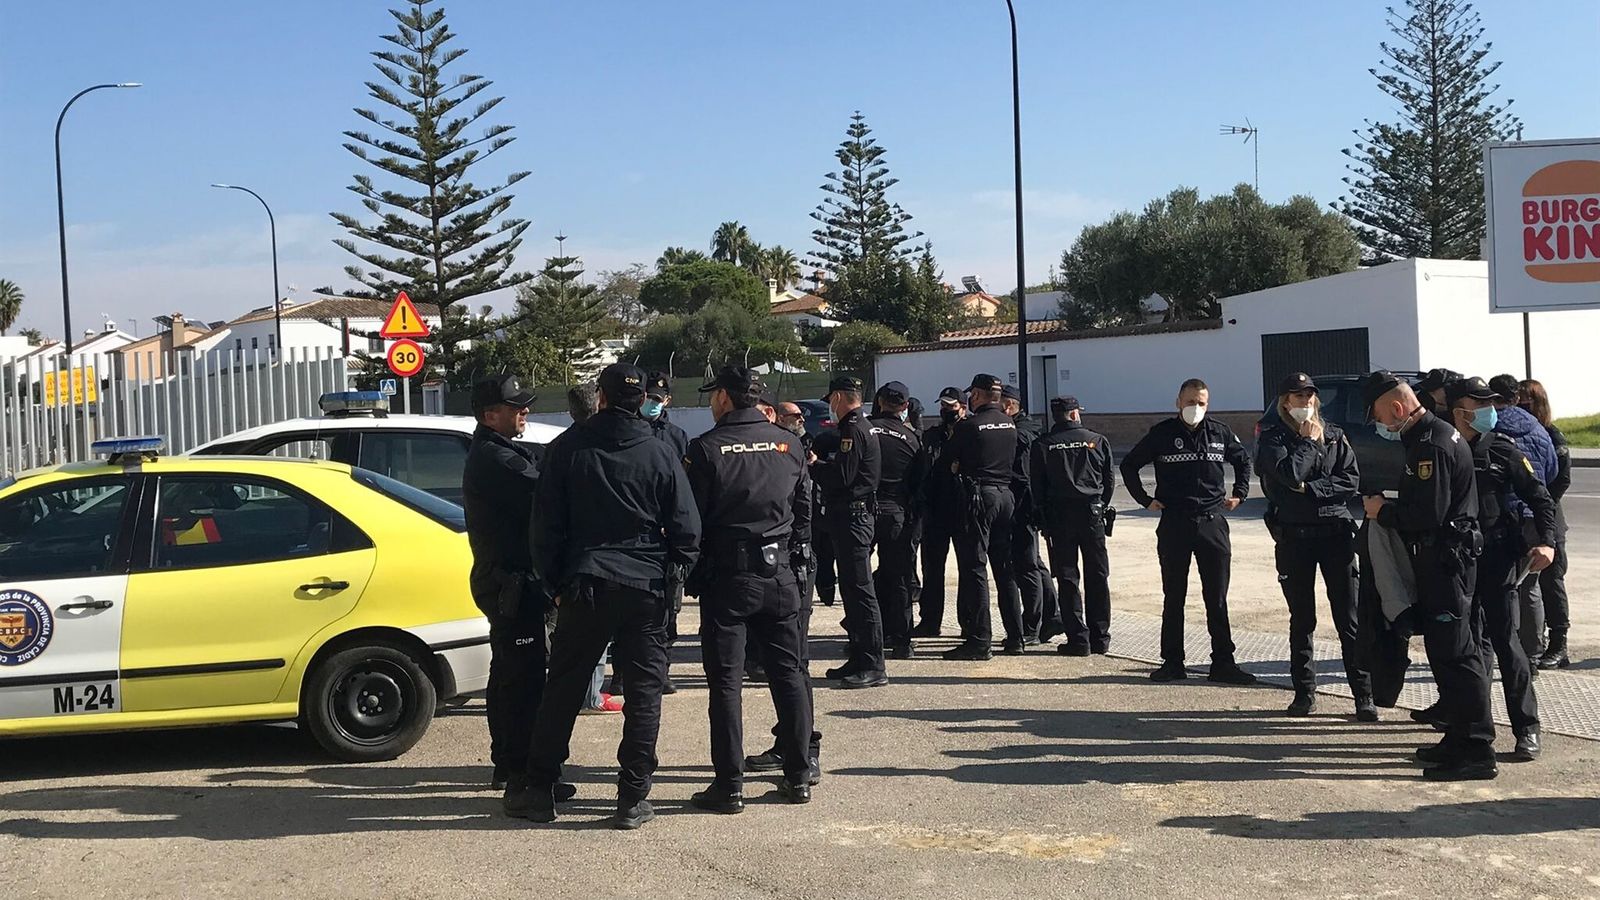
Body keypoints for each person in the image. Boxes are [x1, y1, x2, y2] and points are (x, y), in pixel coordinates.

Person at [508, 363, 702, 828]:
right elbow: (687, 529)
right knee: (644, 694)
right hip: (645, 586)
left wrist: (555, 586)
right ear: (642, 401)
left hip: (584, 585)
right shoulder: (659, 451)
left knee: (564, 688)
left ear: (601, 397)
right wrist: (673, 575)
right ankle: (632, 797)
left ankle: (539, 788)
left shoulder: (568, 447)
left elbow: (544, 528)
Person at [684, 367, 815, 811]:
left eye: (712, 396)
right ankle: (798, 776)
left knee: (726, 683)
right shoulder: (790, 443)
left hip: (729, 577)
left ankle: (730, 785)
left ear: (724, 397)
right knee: (790, 676)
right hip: (780, 574)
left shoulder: (705, 449)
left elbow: (692, 523)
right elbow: (804, 510)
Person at [1361, 371, 1495, 781]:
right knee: (1444, 652)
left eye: (1381, 417)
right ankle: (1457, 737)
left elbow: (1428, 515)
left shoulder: (1431, 444)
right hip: (1441, 561)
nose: (1382, 425)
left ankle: (1476, 748)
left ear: (1398, 409)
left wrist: (1382, 512)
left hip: (1447, 563)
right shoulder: (1429, 437)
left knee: (1458, 654)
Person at [1447, 376, 1557, 762]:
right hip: (1459, 562)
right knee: (1470, 649)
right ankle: (1475, 730)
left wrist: (1547, 542)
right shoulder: (1448, 448)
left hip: (1497, 559)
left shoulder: (1505, 451)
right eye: (1479, 405)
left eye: (1489, 404)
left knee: (1507, 645)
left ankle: (1527, 727)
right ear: (1460, 411)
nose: (1487, 411)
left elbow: (1541, 499)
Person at [1254, 373, 1375, 720]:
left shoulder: (1335, 434)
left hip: (1335, 534)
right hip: (1295, 537)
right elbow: (1287, 475)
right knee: (1302, 618)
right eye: (1297, 395)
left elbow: (1350, 481)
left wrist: (1311, 490)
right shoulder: (1274, 438)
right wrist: (1308, 445)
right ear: (1284, 402)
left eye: (1310, 395)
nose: (1305, 401)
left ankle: (1363, 695)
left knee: (1349, 620)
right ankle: (1304, 693)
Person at [1120, 378, 1255, 685]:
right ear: (1178, 402)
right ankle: (1172, 662)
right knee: (1174, 596)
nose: (1196, 407)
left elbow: (1243, 459)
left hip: (1212, 523)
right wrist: (1145, 500)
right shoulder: (1162, 434)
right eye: (1191, 401)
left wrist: (1240, 493)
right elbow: (1129, 465)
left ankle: (1223, 663)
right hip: (1175, 524)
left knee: (1217, 598)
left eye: (1202, 402)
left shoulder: (1219, 432)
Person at [463, 374, 554, 793]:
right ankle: (520, 770)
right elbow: (541, 486)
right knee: (522, 680)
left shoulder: (500, 448)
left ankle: (509, 763)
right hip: (510, 585)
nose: (525, 412)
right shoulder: (494, 459)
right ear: (489, 415)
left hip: (509, 581)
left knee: (508, 675)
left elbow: (536, 457)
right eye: (516, 407)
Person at [812, 375, 887, 688]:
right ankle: (858, 656)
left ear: (839, 397)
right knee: (852, 591)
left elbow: (843, 476)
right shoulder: (858, 426)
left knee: (860, 590)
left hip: (854, 518)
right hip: (850, 518)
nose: (829, 405)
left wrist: (815, 465)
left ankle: (872, 663)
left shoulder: (854, 429)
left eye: (831, 398)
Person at [941, 374, 1021, 660]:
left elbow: (948, 460)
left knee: (974, 567)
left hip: (979, 498)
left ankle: (979, 640)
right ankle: (1015, 636)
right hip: (1005, 497)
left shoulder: (970, 426)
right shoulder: (1009, 423)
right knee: (1004, 568)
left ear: (976, 394)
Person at [1030, 396, 1115, 656]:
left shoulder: (1043, 444)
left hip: (1059, 518)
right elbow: (1109, 480)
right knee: (1097, 576)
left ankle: (1078, 640)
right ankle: (1100, 637)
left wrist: (1044, 519)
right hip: (1092, 514)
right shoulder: (1097, 440)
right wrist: (1100, 504)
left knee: (1068, 578)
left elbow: (1038, 487)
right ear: (1075, 413)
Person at [564, 383, 625, 716]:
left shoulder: (561, 446)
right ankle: (591, 695)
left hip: (573, 559)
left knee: (576, 638)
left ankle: (582, 693)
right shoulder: (604, 445)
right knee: (596, 636)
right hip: (601, 557)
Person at [1515, 379, 1573, 669]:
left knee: (1552, 583)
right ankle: (1532, 643)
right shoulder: (1517, 433)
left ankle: (1559, 644)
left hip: (1550, 519)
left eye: (1527, 400)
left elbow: (1562, 478)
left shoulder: (1551, 435)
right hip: (1528, 517)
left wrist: (1542, 505)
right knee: (1529, 585)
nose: (1521, 404)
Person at [867, 381, 925, 660]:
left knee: (861, 579)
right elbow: (920, 482)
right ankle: (903, 641)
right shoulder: (912, 438)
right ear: (904, 406)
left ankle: (865, 638)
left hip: (864, 510)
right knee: (900, 577)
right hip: (897, 512)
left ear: (879, 402)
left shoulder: (862, 430)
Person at [999, 385, 1054, 646]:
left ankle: (1032, 625)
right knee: (1033, 563)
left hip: (1024, 505)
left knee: (1027, 566)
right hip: (1016, 503)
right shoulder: (1017, 426)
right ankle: (1051, 617)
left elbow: (1019, 442)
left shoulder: (1027, 428)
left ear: (1009, 406)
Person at [914, 387, 966, 637]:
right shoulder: (932, 435)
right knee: (932, 569)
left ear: (963, 408)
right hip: (935, 509)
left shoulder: (971, 432)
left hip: (964, 509)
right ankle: (930, 621)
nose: (946, 411)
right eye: (943, 406)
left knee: (968, 570)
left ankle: (969, 624)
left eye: (951, 406)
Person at [642, 370, 690, 457]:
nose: (650, 401)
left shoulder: (677, 436)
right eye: (648, 397)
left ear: (667, 400)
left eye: (657, 399)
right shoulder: (629, 429)